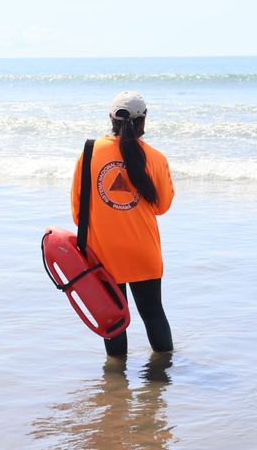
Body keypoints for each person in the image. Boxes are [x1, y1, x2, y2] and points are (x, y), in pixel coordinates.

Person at [71, 91, 175, 356]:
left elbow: (77, 210)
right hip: (144, 252)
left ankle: (116, 387)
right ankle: (162, 381)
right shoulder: (156, 157)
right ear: (144, 120)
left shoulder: (90, 151)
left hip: (104, 254)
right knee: (153, 315)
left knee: (114, 321)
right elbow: (162, 207)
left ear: (111, 118)